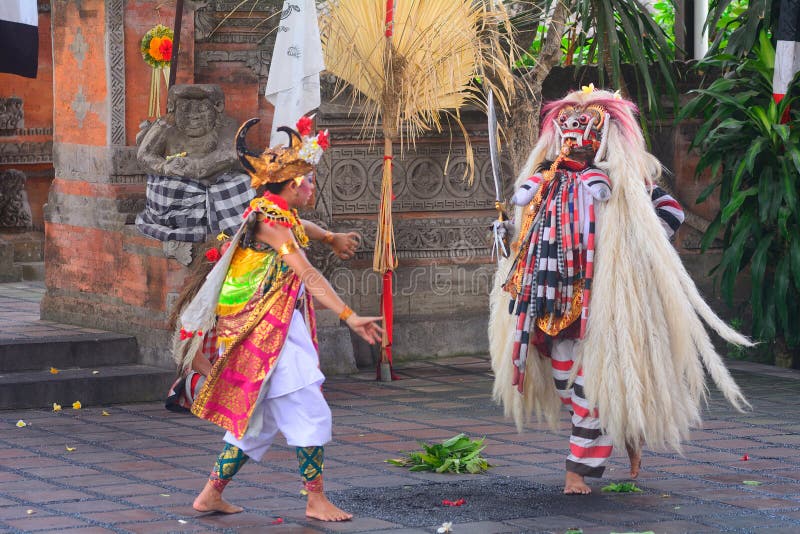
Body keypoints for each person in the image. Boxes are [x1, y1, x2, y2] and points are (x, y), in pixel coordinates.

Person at [489, 86, 752, 495]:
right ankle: (625, 431)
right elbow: (526, 228)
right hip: (555, 300)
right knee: (566, 385)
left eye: (585, 126)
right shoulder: (546, 180)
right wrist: (506, 233)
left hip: (606, 304)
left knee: (590, 389)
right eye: (568, 127)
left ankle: (577, 471)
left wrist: (632, 246)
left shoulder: (625, 182)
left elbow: (670, 213)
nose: (575, 136)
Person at [172, 116, 382, 521]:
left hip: (270, 325)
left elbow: (301, 227)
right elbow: (307, 273)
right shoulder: (270, 222)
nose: (311, 186)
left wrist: (329, 237)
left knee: (258, 420)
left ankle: (210, 495)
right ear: (289, 186)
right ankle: (315, 498)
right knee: (310, 408)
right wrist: (350, 316)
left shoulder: (272, 211)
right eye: (308, 181)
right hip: (264, 329)